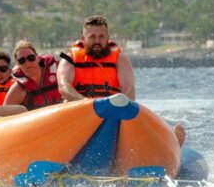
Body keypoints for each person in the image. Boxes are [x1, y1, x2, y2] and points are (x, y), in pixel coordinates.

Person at [57, 15, 185, 145]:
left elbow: (128, 89)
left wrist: (119, 111)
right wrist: (86, 104)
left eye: (101, 36)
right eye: (92, 37)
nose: (97, 41)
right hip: (79, 113)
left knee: (136, 113)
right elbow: (64, 86)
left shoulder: (120, 60)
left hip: (112, 114)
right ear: (83, 39)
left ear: (108, 38)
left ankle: (170, 142)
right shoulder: (70, 59)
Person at [4, 41, 63, 110]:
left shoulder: (59, 73)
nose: (27, 63)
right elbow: (5, 112)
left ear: (38, 58)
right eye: (22, 60)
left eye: (31, 58)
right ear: (18, 64)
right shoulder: (18, 89)